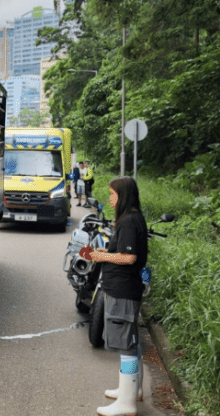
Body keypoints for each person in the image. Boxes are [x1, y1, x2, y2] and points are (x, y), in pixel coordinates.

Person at [78, 176, 148, 415]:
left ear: (123, 196)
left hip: (122, 290)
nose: (110, 199)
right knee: (130, 340)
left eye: (113, 194)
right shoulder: (133, 218)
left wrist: (100, 257)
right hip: (127, 288)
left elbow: (129, 258)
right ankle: (131, 389)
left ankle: (126, 404)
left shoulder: (128, 221)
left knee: (124, 345)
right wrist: (104, 253)